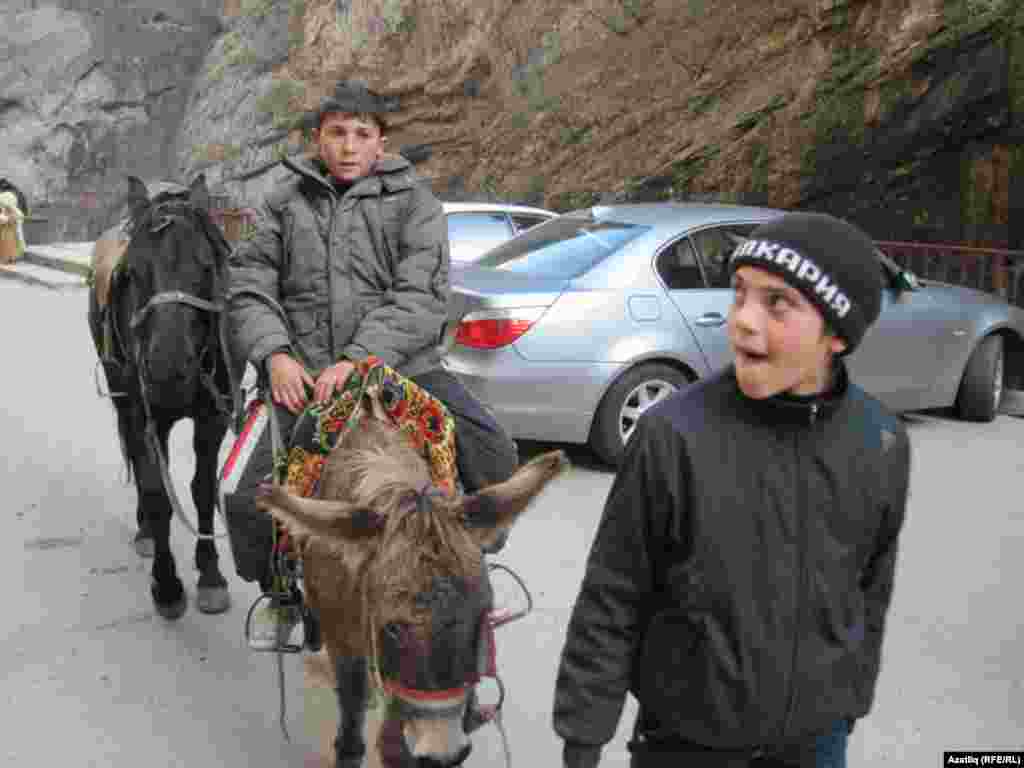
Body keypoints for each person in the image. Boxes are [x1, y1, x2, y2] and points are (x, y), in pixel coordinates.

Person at [552, 212, 911, 768]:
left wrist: (848, 700)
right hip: (687, 742)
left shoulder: (881, 442)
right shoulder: (673, 434)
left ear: (837, 334)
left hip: (816, 742)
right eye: (739, 293)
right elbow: (612, 594)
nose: (743, 321)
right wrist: (583, 736)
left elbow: (871, 589)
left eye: (777, 303)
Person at [222, 80, 519, 650]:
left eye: (362, 134)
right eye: (337, 133)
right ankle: (281, 592)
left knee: (496, 455)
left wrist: (359, 360)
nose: (349, 146)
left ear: (381, 142)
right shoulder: (282, 201)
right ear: (318, 139)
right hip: (301, 378)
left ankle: (465, 573)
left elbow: (421, 295)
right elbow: (249, 285)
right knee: (242, 493)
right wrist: (275, 354)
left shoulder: (416, 203)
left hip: (404, 369)